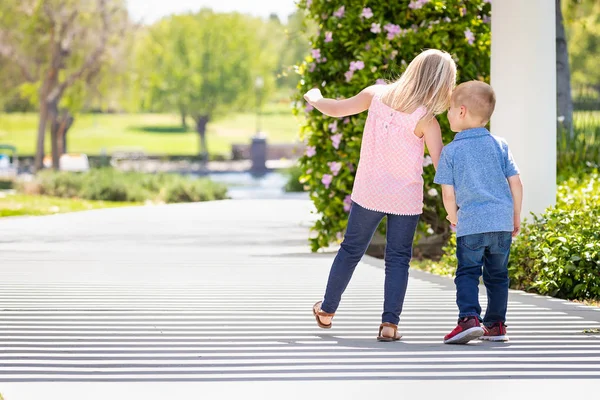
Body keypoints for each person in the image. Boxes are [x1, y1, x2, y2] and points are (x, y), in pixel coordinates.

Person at [304, 49, 456, 341]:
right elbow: (442, 169)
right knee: (398, 259)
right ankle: (389, 325)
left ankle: (327, 310)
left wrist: (315, 98)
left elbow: (335, 108)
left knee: (350, 251)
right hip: (405, 199)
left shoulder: (376, 95)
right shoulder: (428, 121)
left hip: (369, 192)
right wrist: (455, 205)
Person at [434, 80, 523, 344]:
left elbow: (448, 194)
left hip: (471, 223)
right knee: (498, 275)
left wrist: (453, 216)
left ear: (461, 111)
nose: (447, 113)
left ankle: (469, 319)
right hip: (501, 223)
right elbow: (516, 182)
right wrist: (515, 216)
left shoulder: (450, 152)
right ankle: (496, 325)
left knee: (468, 272)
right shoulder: (500, 144)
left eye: (449, 108)